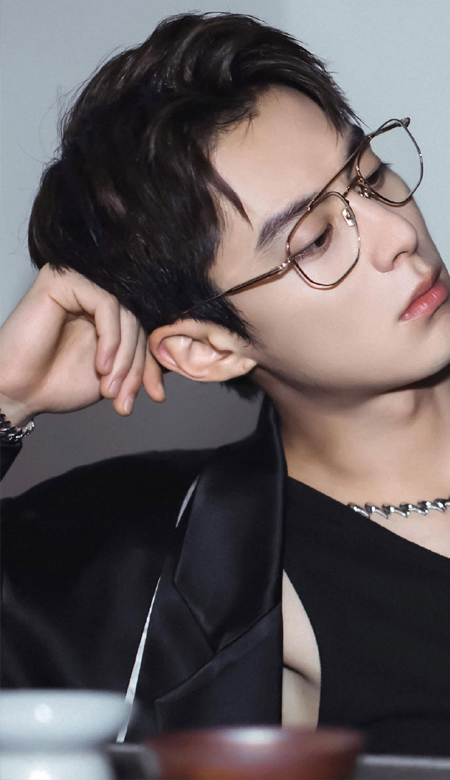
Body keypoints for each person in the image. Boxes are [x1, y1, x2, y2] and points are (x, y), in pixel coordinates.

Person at [2, 11, 450, 755]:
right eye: (315, 240)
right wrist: (6, 399)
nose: (398, 233)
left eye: (371, 176)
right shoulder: (158, 565)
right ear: (207, 350)